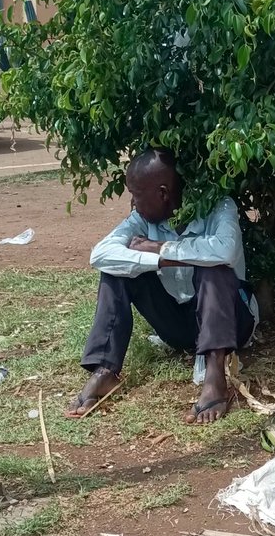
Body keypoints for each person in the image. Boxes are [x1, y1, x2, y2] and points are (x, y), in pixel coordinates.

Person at [67, 149, 255, 424]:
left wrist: (160, 247)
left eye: (136, 194)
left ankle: (215, 377)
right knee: (116, 270)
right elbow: (101, 255)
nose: (133, 203)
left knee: (215, 267)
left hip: (233, 323)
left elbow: (226, 251)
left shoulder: (218, 207)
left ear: (163, 193)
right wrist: (162, 261)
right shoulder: (142, 220)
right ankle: (105, 370)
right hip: (178, 325)